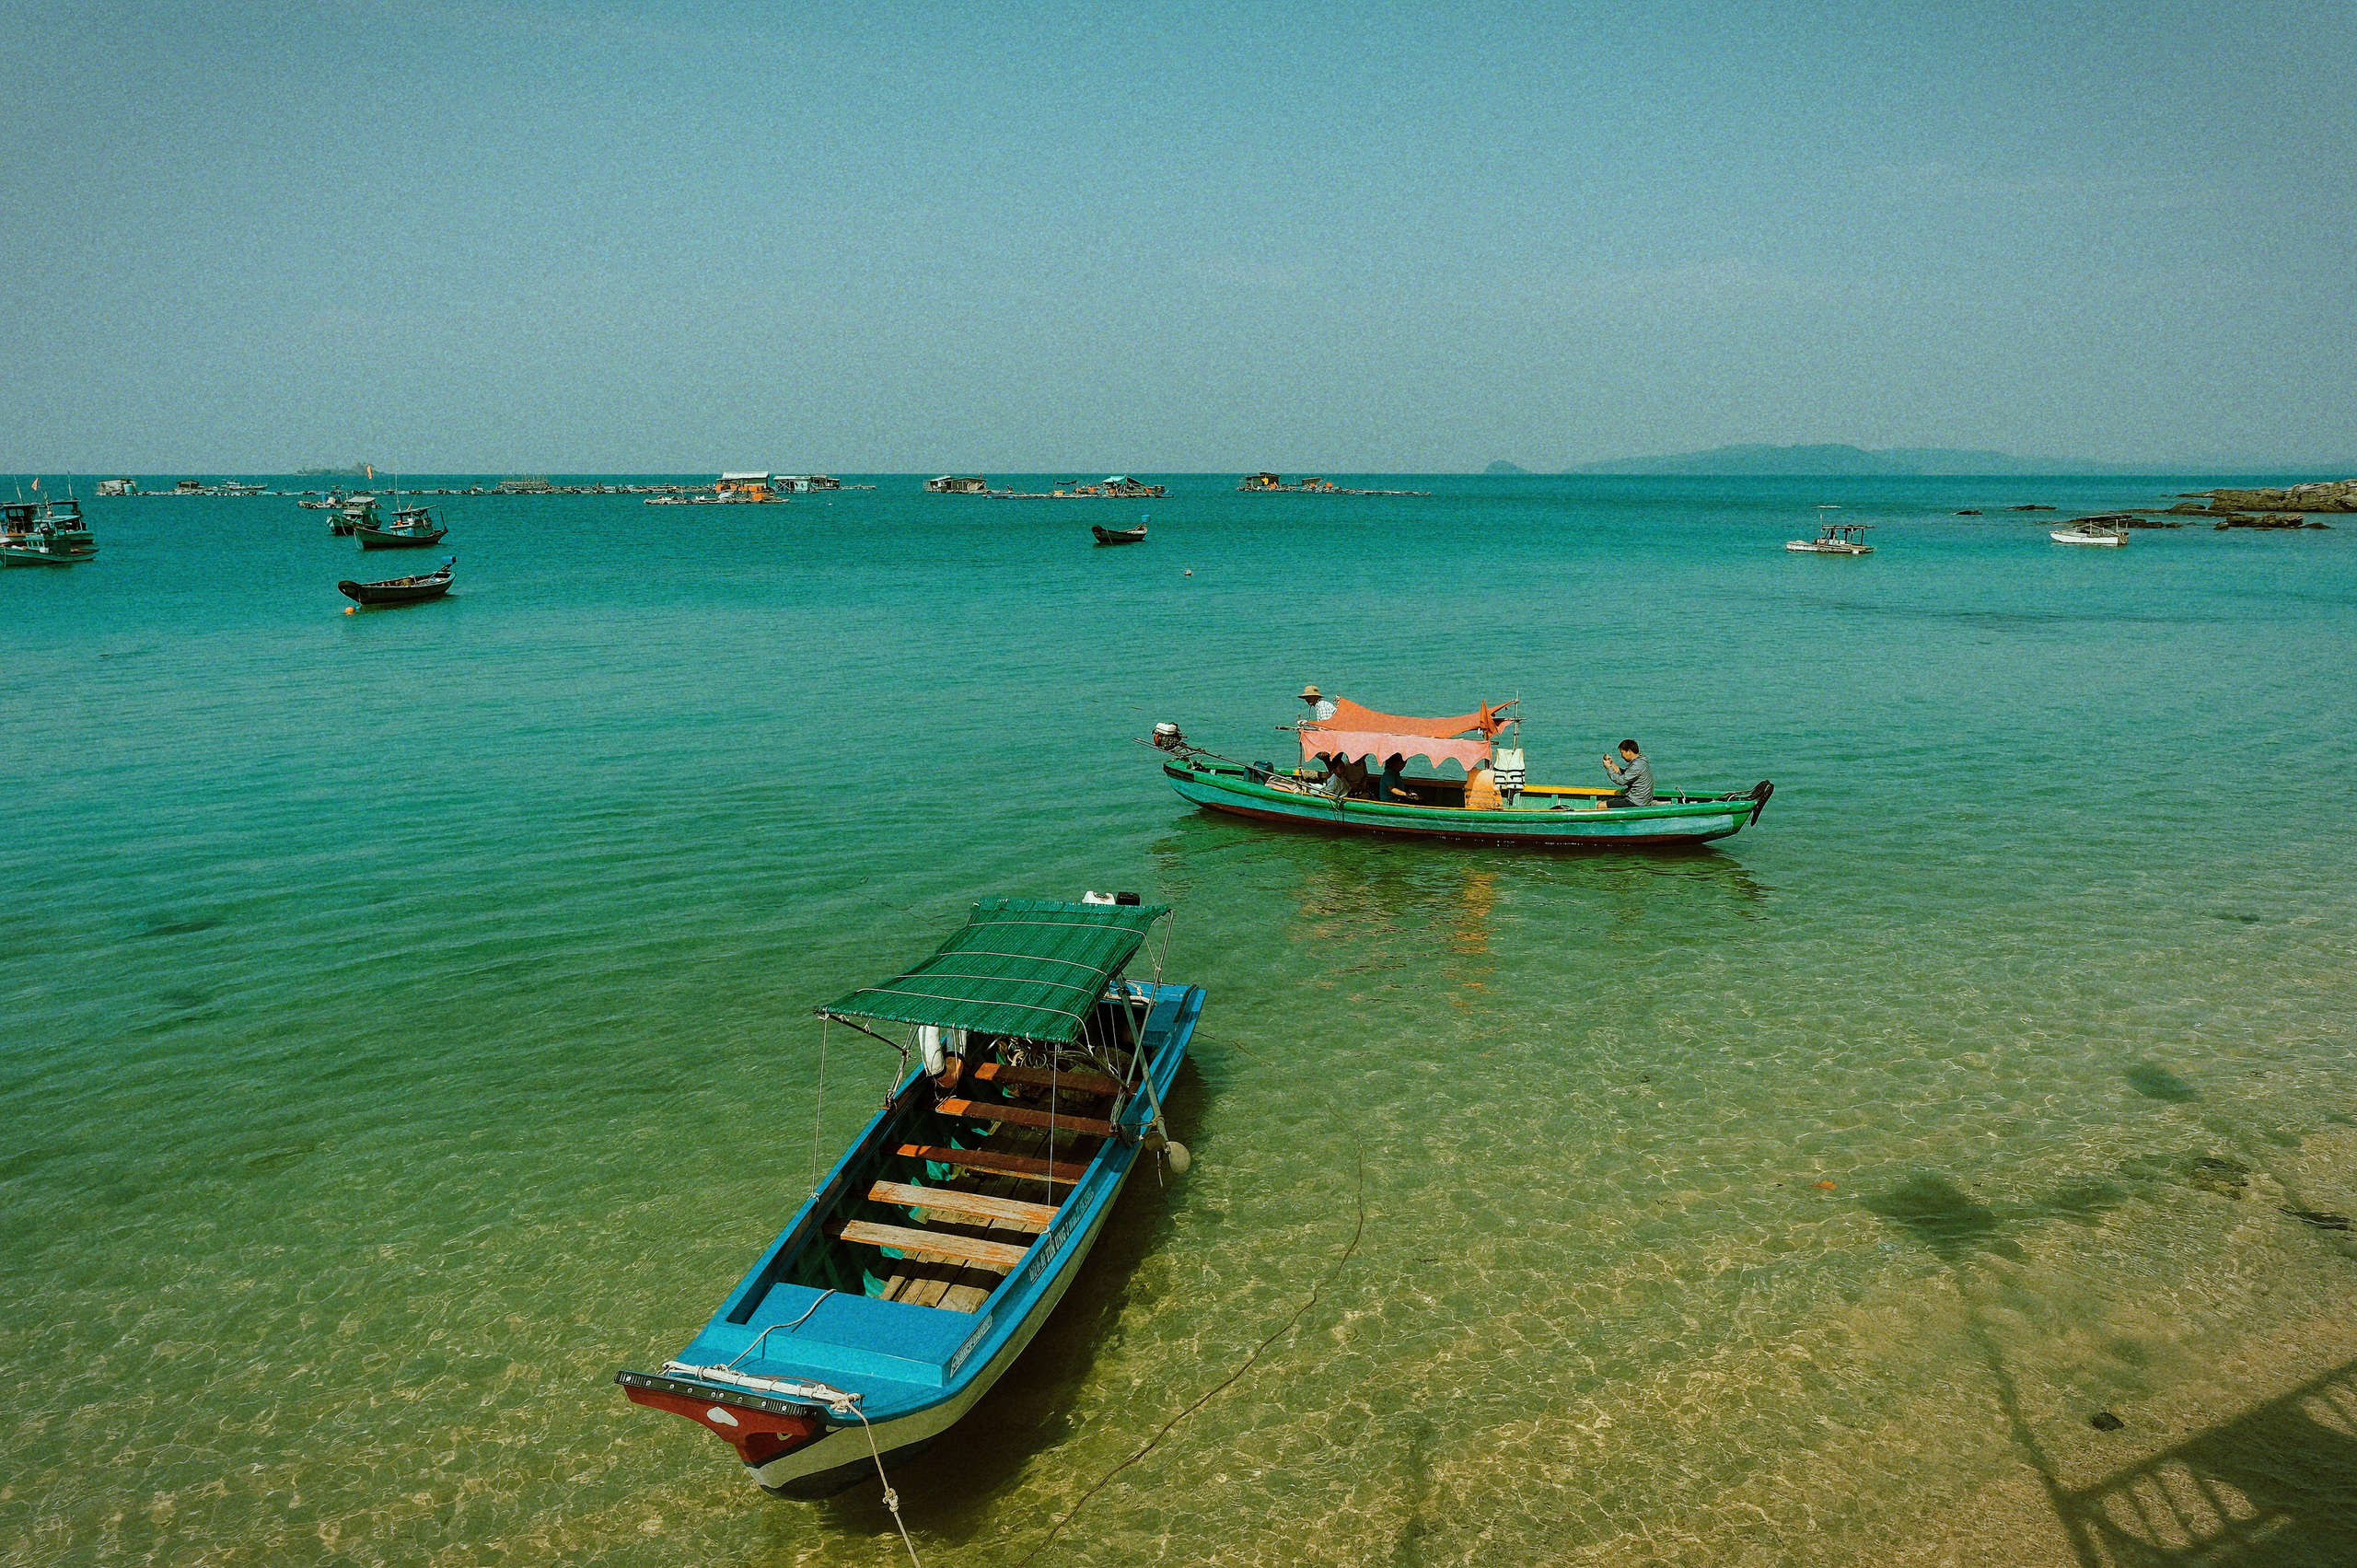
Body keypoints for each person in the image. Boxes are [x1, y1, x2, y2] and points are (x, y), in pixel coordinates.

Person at [1601, 738, 1654, 806]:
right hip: (1639, 800)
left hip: (1636, 802)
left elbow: (1621, 781)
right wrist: (1611, 764)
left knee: (1601, 805)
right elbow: (1626, 775)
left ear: (1629, 751)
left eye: (1622, 753)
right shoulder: (1640, 761)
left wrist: (1608, 768)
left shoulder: (1637, 765)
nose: (1621, 756)